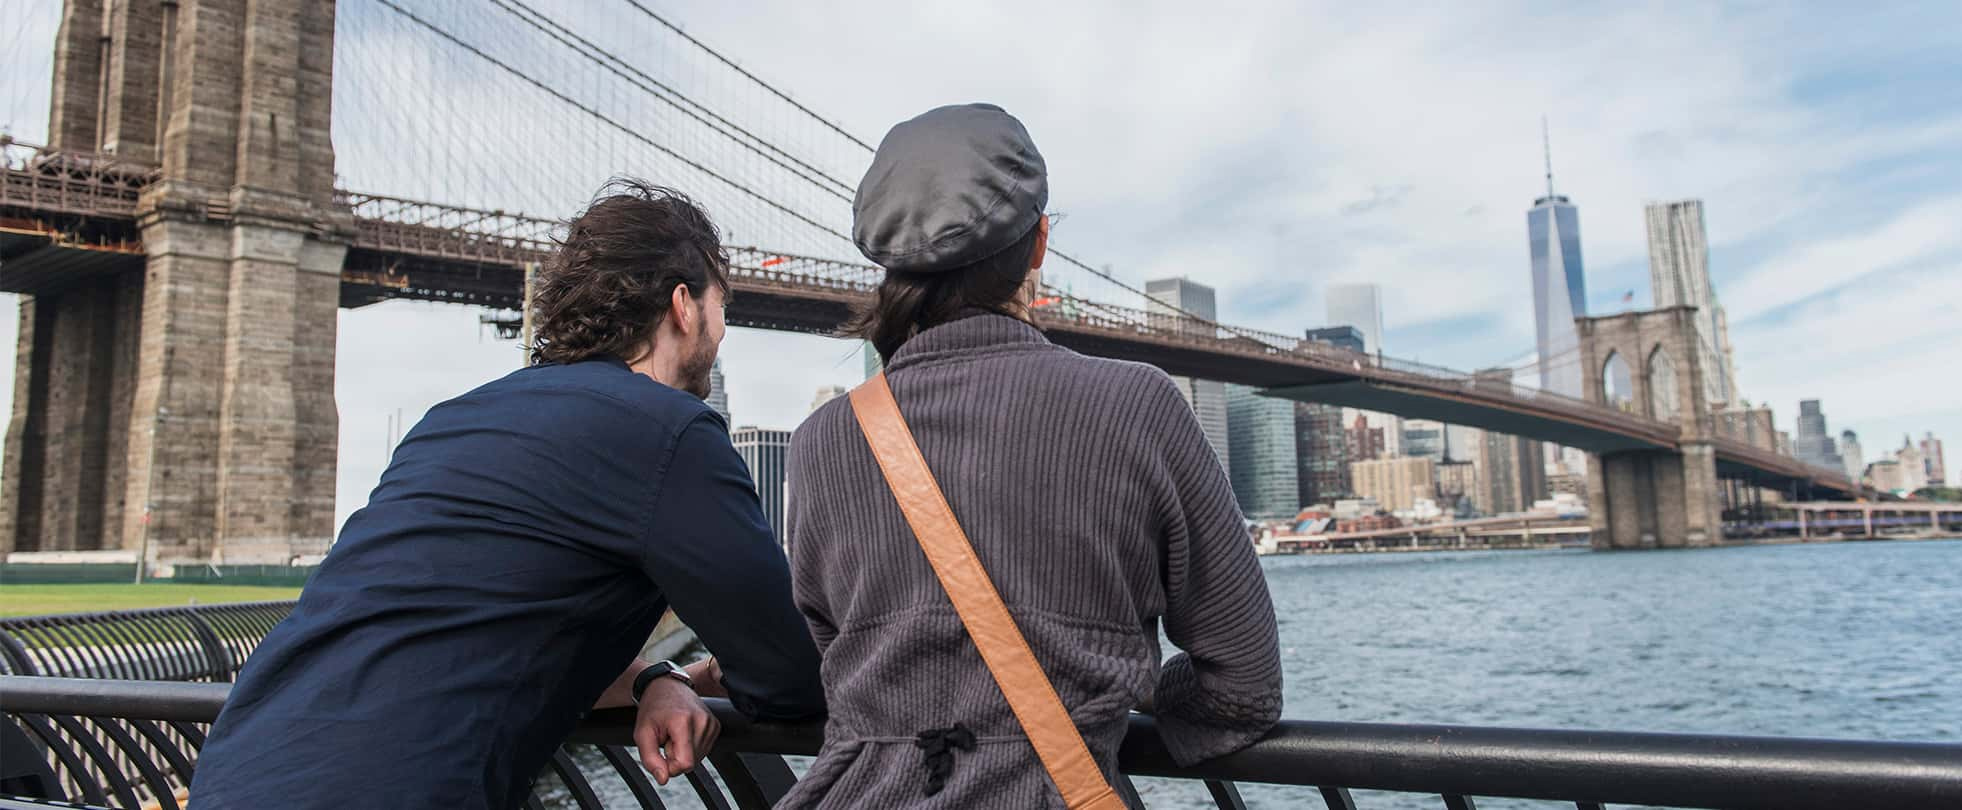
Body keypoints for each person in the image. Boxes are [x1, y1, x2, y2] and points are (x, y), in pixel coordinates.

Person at [190, 180, 826, 810]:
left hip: (234, 771)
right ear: (684, 306)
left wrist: (656, 680)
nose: (721, 331)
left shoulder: (452, 420)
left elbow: (480, 630)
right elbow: (791, 679)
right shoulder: (670, 432)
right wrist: (711, 677)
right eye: (722, 308)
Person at [777, 104, 1283, 808]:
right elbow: (1244, 684)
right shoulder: (1138, 405)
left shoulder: (821, 441)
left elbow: (829, 659)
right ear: (1040, 244)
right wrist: (1108, 705)